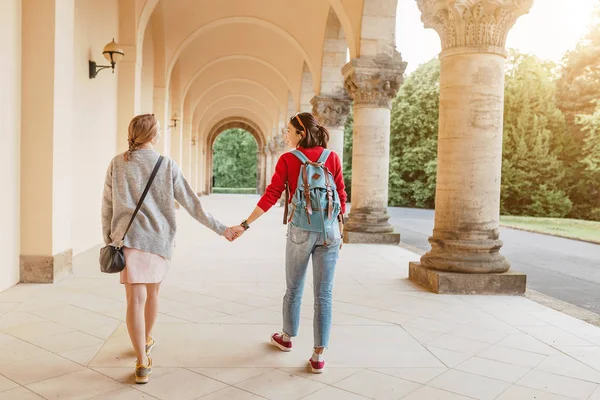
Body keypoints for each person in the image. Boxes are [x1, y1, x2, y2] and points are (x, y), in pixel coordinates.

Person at [101, 113, 243, 383]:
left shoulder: (117, 164)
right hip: (157, 242)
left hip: (127, 241)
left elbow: (106, 205)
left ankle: (142, 362)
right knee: (152, 296)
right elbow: (192, 204)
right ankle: (145, 342)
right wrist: (222, 229)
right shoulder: (166, 165)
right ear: (153, 136)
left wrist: (110, 239)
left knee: (134, 301)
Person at [236, 112, 347, 374]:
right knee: (324, 294)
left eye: (289, 130)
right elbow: (341, 193)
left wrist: (245, 223)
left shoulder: (288, 159)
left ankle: (286, 338)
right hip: (330, 232)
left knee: (294, 288)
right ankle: (318, 356)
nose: (285, 134)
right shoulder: (331, 158)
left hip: (301, 231)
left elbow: (272, 194)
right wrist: (340, 228)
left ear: (301, 134)